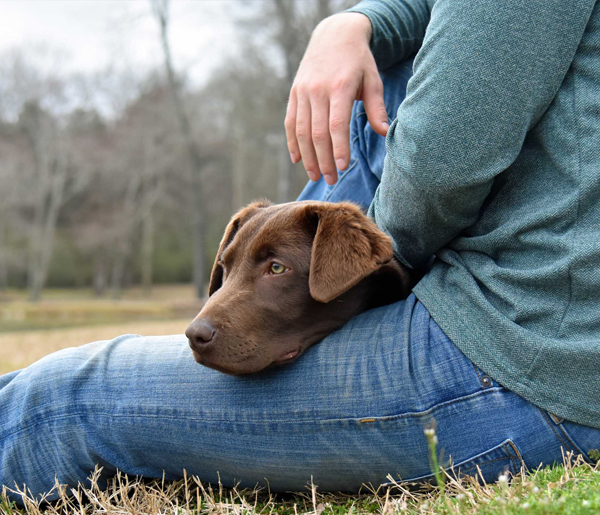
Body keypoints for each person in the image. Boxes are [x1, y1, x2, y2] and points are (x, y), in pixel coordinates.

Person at [2, 0, 600, 502]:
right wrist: (357, 23)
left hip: (524, 363)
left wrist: (372, 259)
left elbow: (443, 163)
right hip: (538, 345)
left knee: (61, 401)